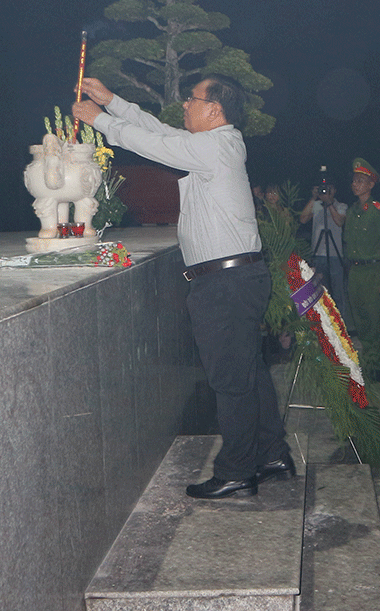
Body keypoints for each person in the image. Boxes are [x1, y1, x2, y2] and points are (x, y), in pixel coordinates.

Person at [72, 75, 292, 499]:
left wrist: (99, 119)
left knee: (230, 379)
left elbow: (153, 145)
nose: (185, 106)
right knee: (247, 371)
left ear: (215, 109)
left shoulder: (216, 146)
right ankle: (271, 453)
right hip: (234, 279)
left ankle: (237, 470)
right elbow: (161, 133)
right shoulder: (214, 146)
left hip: (225, 282)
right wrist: (113, 100)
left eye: (192, 99)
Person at [343, 158, 380, 380]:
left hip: (373, 271)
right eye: (354, 180)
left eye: (360, 181)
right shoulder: (352, 211)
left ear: (371, 185)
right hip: (355, 272)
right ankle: (367, 360)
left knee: (375, 320)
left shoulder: (379, 211)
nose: (355, 184)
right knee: (360, 318)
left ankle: (376, 365)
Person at [299, 178, 348, 305]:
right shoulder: (316, 206)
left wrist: (329, 203)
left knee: (338, 292)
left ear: (334, 191)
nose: (325, 191)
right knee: (320, 292)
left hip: (335, 254)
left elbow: (339, 222)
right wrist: (313, 198)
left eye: (328, 189)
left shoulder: (341, 206)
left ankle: (340, 320)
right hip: (318, 254)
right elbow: (303, 219)